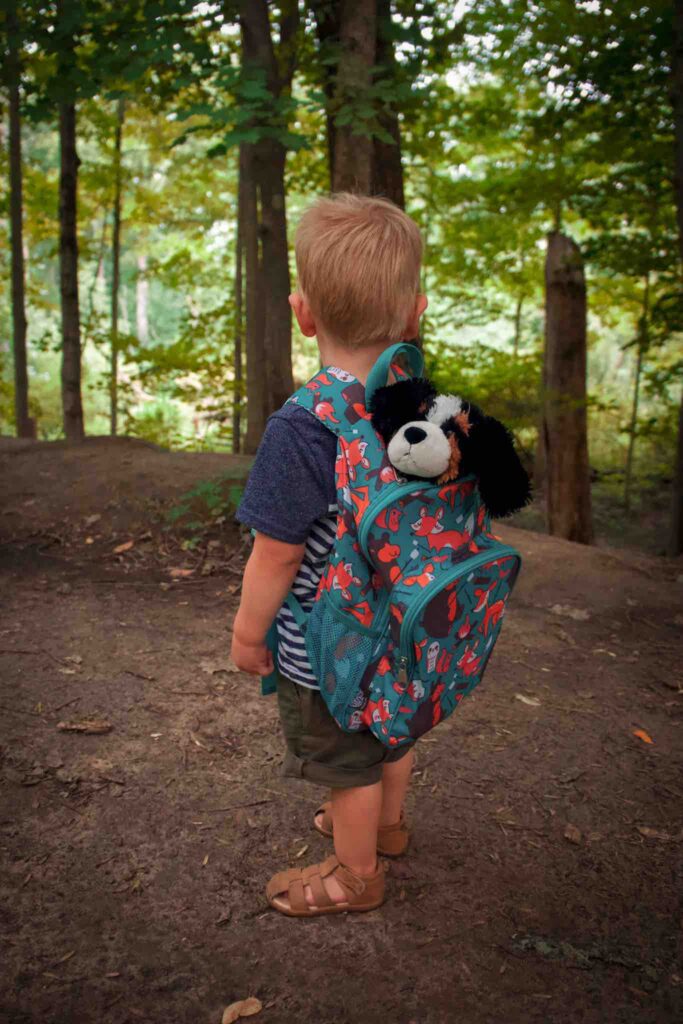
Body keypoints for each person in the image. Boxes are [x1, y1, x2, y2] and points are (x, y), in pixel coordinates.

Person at [232, 193, 428, 917]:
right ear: (416, 313)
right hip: (405, 629)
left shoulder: (302, 427)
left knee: (347, 763)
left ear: (301, 311)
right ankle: (387, 828)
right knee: (390, 733)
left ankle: (355, 874)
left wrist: (248, 633)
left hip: (332, 646)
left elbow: (277, 555)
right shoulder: (420, 409)